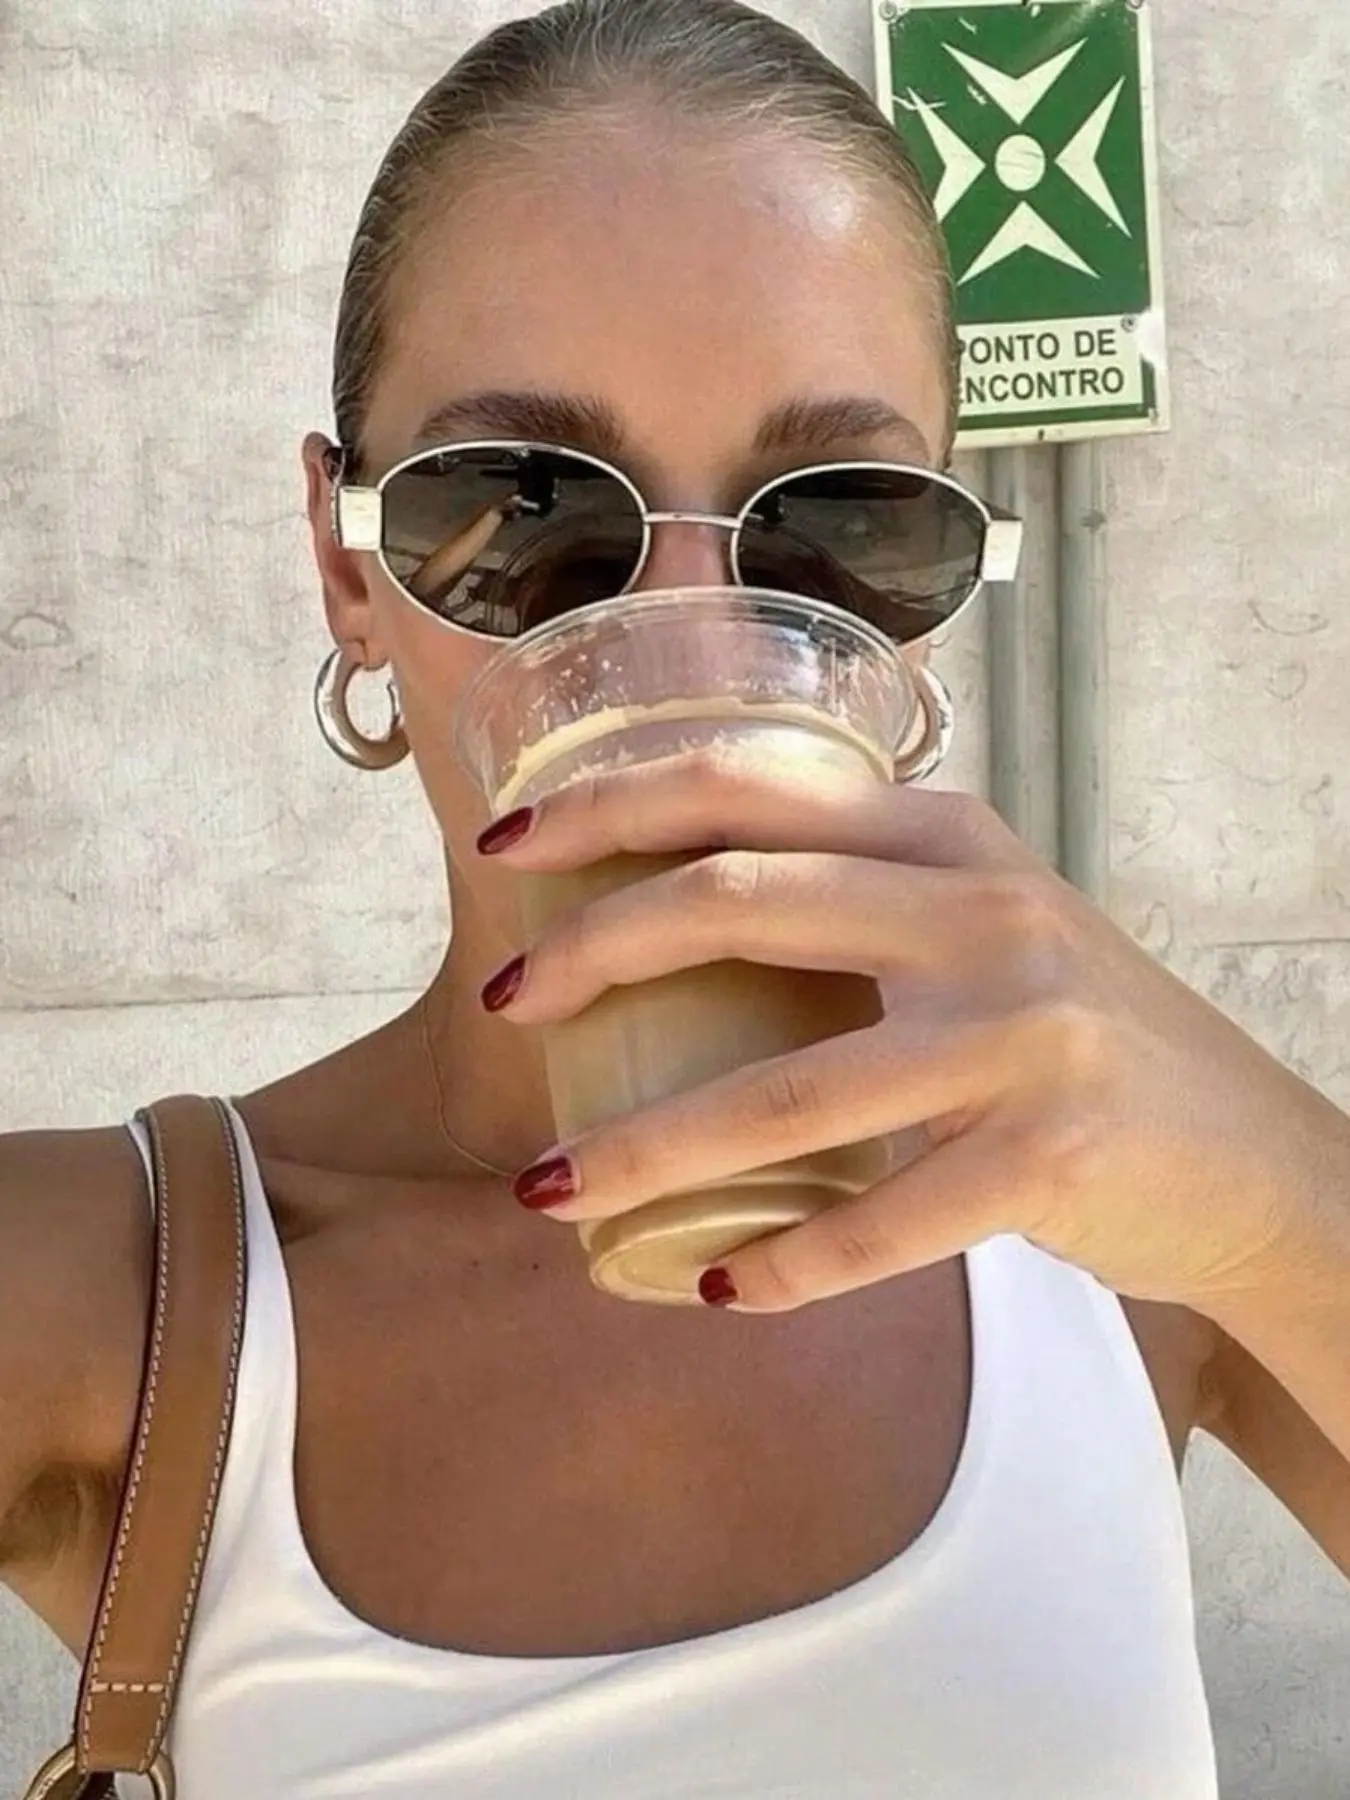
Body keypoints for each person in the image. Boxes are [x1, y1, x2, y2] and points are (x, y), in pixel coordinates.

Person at [2, 1, 1348, 1795]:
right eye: (525, 514)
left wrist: (1284, 1198)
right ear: (346, 567)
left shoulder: (1125, 1225)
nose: (692, 651)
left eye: (835, 527)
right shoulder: (113, 1289)